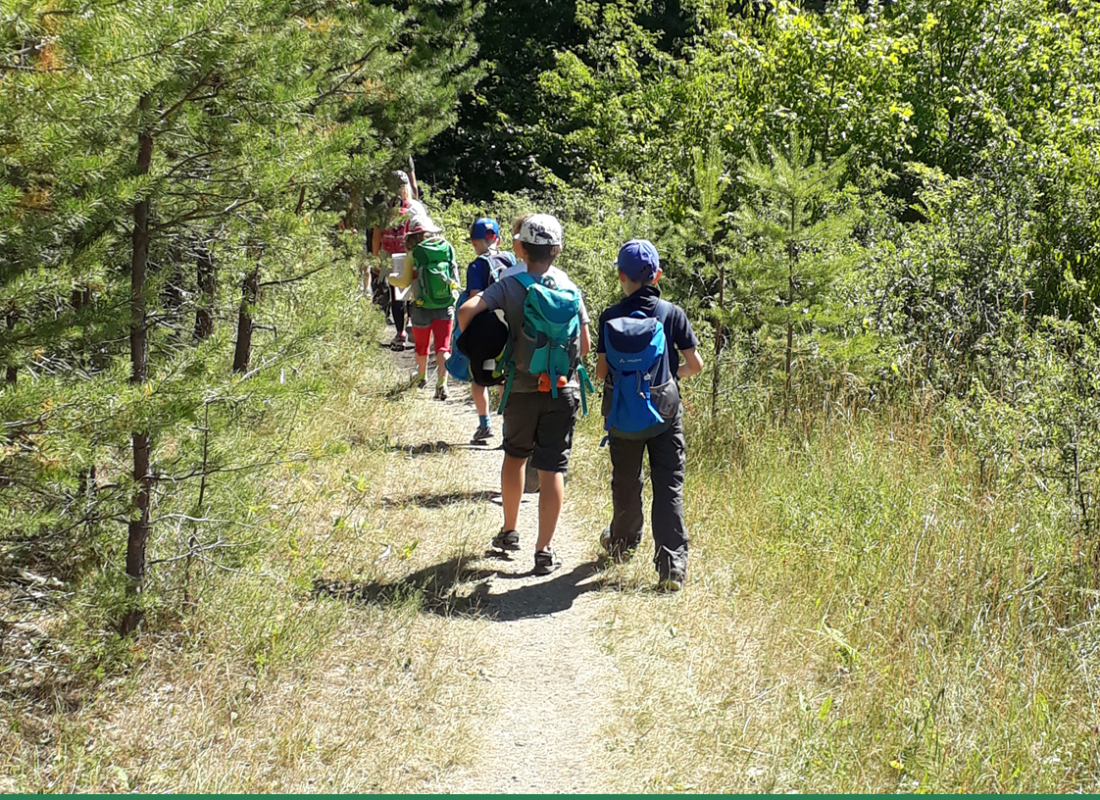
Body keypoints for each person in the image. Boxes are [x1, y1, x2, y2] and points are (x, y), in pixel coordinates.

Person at [458, 214, 591, 575]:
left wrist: (477, 341)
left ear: (521, 247)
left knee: (515, 457)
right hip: (563, 389)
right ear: (557, 250)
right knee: (553, 469)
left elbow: (470, 310)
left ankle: (510, 531)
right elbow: (586, 345)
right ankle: (544, 550)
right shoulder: (569, 286)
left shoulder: (509, 283)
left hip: (519, 388)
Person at [595, 239, 704, 592]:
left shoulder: (610, 316)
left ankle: (623, 544)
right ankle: (671, 566)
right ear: (656, 275)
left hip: (623, 415)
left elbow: (601, 372)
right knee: (668, 484)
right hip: (664, 414)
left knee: (626, 481)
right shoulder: (672, 313)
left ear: (621, 275)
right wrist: (670, 376)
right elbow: (695, 365)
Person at [464, 217, 515, 443]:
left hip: (486, 331)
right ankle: (507, 430)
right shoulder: (510, 258)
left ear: (475, 242)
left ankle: (485, 424)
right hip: (510, 327)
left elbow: (476, 299)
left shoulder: (476, 265)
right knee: (504, 378)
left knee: (479, 377)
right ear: (498, 239)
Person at [406, 214, 460, 400]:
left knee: (422, 345)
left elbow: (404, 281)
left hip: (420, 305)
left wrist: (391, 279)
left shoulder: (414, 255)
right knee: (443, 347)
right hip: (445, 304)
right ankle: (442, 384)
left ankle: (421, 378)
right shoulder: (446, 249)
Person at [371, 170, 426, 351]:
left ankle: (400, 333)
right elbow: (423, 232)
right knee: (412, 291)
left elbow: (377, 234)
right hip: (411, 254)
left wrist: (376, 257)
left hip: (391, 255)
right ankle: (412, 322)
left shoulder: (384, 207)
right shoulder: (416, 207)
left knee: (397, 295)